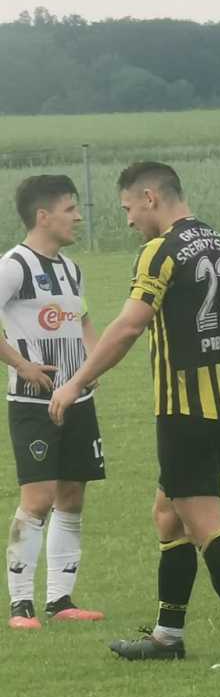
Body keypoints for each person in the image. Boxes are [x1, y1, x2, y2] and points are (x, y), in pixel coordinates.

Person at [48, 162, 220, 668]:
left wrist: (77, 381)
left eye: (128, 208)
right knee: (168, 515)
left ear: (150, 197)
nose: (128, 220)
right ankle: (167, 637)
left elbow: (128, 327)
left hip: (184, 410)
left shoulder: (159, 251)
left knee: (204, 524)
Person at [2, 175, 104, 628]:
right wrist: (22, 365)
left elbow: (83, 320)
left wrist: (93, 365)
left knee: (72, 495)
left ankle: (60, 600)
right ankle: (20, 604)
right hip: (32, 403)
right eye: (69, 209)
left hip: (77, 399)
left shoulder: (71, 268)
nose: (78, 217)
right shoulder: (14, 266)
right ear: (43, 216)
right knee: (38, 499)